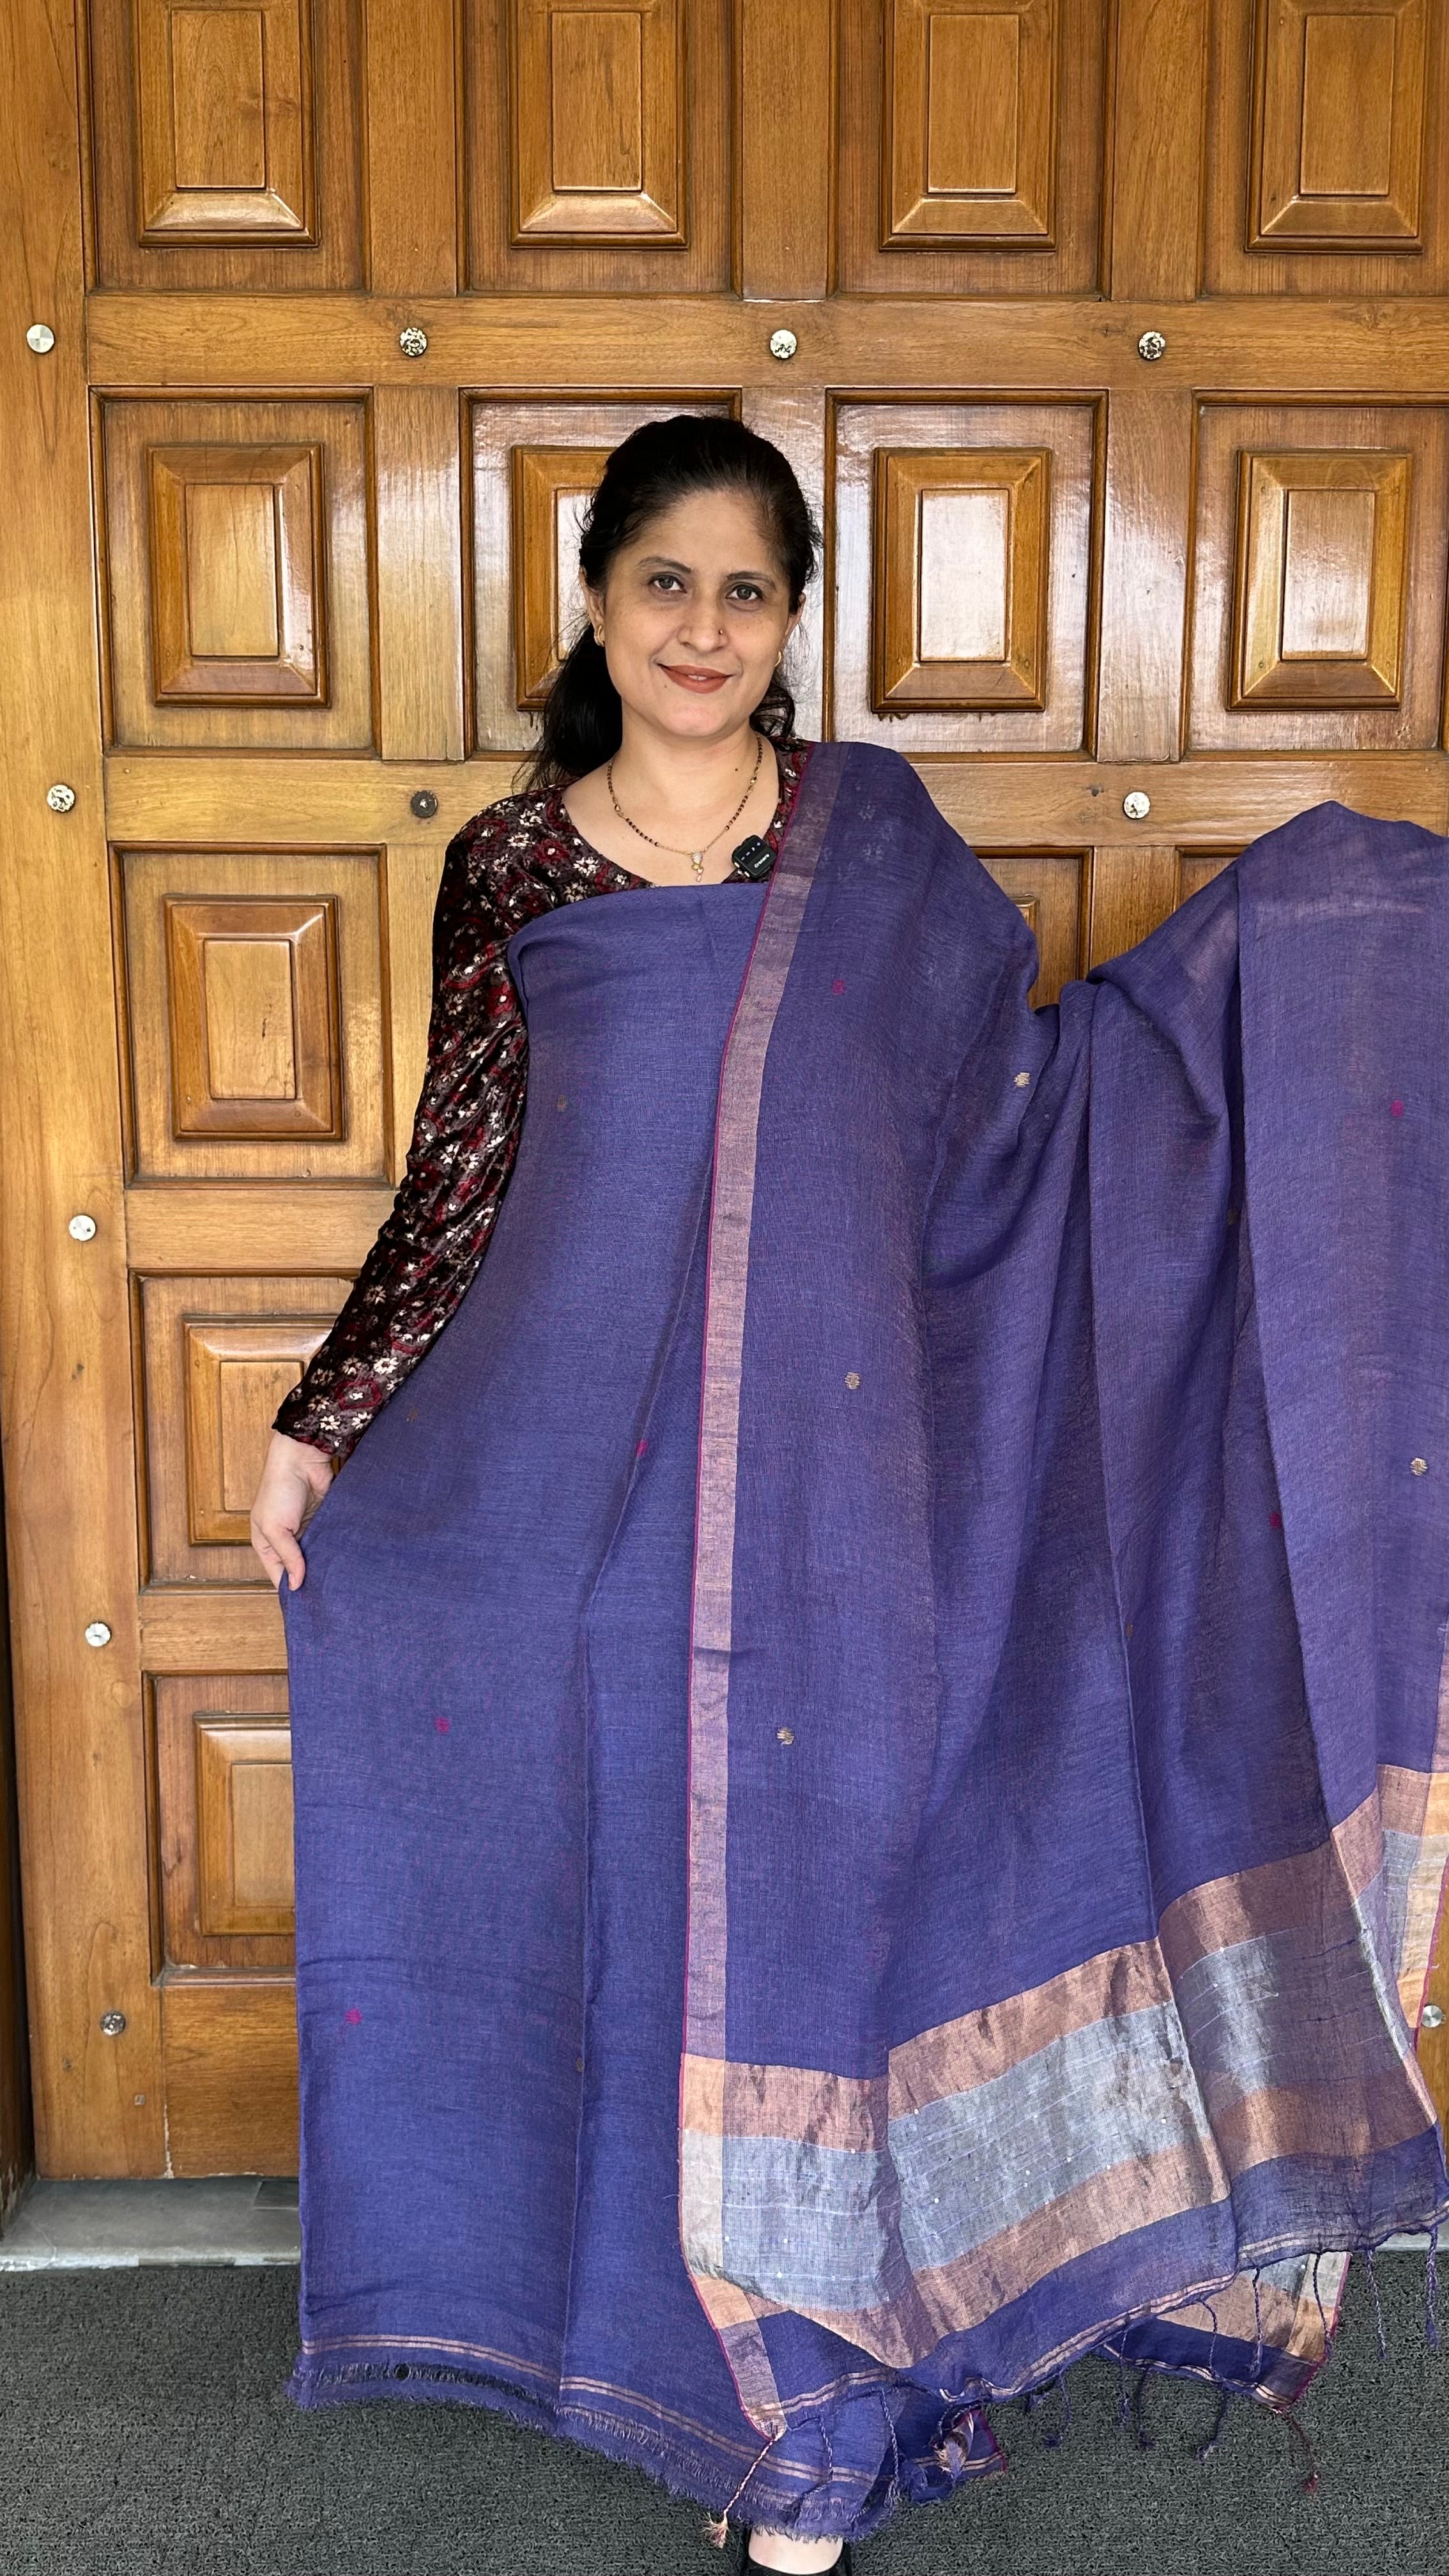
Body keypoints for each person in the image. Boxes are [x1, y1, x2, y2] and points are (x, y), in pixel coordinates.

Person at [251, 418, 1449, 2563]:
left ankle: (821, 2415)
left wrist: (1315, 946)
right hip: (567, 1453)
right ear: (595, 603)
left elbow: (1023, 1110)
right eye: (665, 583)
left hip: (835, 1484)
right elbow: (466, 1165)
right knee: (617, 1858)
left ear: (788, 619)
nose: (702, 628)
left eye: (746, 590)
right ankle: (654, 2334)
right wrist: (326, 1421)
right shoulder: (513, 864)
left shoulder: (866, 843)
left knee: (819, 1894)